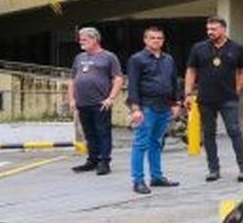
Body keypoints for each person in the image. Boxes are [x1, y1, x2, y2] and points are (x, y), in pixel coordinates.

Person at [184, 16, 243, 182]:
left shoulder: (237, 48)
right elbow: (191, 70)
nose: (210, 32)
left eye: (213, 29)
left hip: (228, 98)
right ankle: (213, 169)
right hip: (205, 98)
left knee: (234, 131)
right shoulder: (198, 48)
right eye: (208, 29)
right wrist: (187, 93)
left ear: (223, 29)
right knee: (208, 134)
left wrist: (237, 88)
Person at [125, 26, 182, 195]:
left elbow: (174, 82)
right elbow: (133, 85)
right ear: (145, 40)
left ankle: (156, 177)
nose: (156, 41)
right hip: (146, 107)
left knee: (156, 143)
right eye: (152, 38)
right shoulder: (137, 59)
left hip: (164, 107)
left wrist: (177, 103)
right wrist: (135, 109)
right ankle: (138, 180)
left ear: (163, 40)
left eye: (159, 38)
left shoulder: (168, 59)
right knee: (141, 144)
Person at [69, 27, 124, 176]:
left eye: (84, 39)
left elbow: (118, 78)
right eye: (80, 39)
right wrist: (72, 99)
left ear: (95, 39)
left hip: (100, 103)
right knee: (89, 133)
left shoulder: (108, 56)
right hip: (82, 103)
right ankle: (92, 160)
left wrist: (111, 98)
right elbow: (73, 79)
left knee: (103, 132)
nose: (81, 42)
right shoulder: (79, 58)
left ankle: (104, 162)